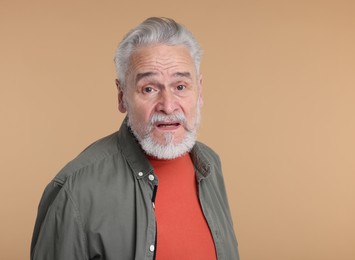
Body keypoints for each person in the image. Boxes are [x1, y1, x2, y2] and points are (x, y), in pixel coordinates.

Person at [31, 17, 239, 260]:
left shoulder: (210, 165)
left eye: (180, 86)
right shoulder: (75, 190)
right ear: (122, 96)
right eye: (149, 88)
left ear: (200, 91)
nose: (168, 105)